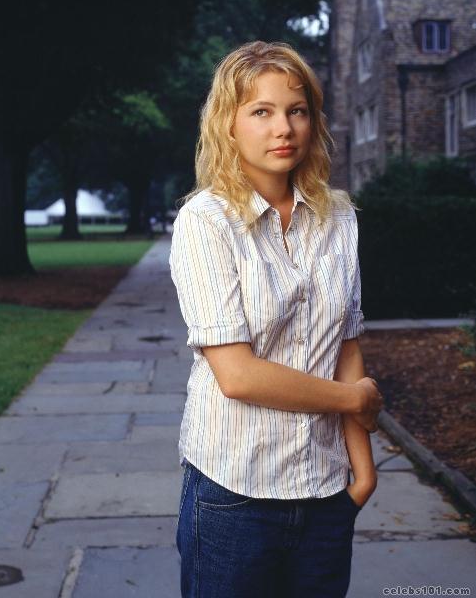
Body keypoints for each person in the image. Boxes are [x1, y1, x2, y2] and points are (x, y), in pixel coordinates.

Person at [169, 40, 383, 598]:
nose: (282, 127)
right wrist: (354, 402)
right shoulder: (206, 221)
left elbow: (346, 346)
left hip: (326, 492)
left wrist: (363, 475)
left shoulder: (338, 218)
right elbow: (237, 375)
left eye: (297, 110)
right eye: (261, 112)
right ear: (229, 125)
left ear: (313, 120)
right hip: (234, 498)